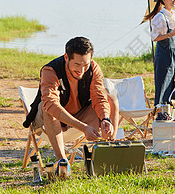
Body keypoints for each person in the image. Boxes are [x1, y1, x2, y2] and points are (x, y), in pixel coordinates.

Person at [23, 36, 119, 172]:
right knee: (47, 107)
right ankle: (63, 163)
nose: (82, 69)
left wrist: (105, 118)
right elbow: (51, 104)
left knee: (112, 99)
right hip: (49, 120)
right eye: (77, 65)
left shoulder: (93, 68)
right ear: (66, 57)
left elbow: (99, 97)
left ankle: (108, 151)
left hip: (79, 114)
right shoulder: (50, 70)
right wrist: (84, 127)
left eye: (85, 64)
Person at [144, 0, 175, 106]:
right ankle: (161, 113)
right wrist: (170, 34)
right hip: (164, 54)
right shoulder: (159, 17)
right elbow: (154, 37)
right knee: (163, 84)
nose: (174, 0)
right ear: (164, 0)